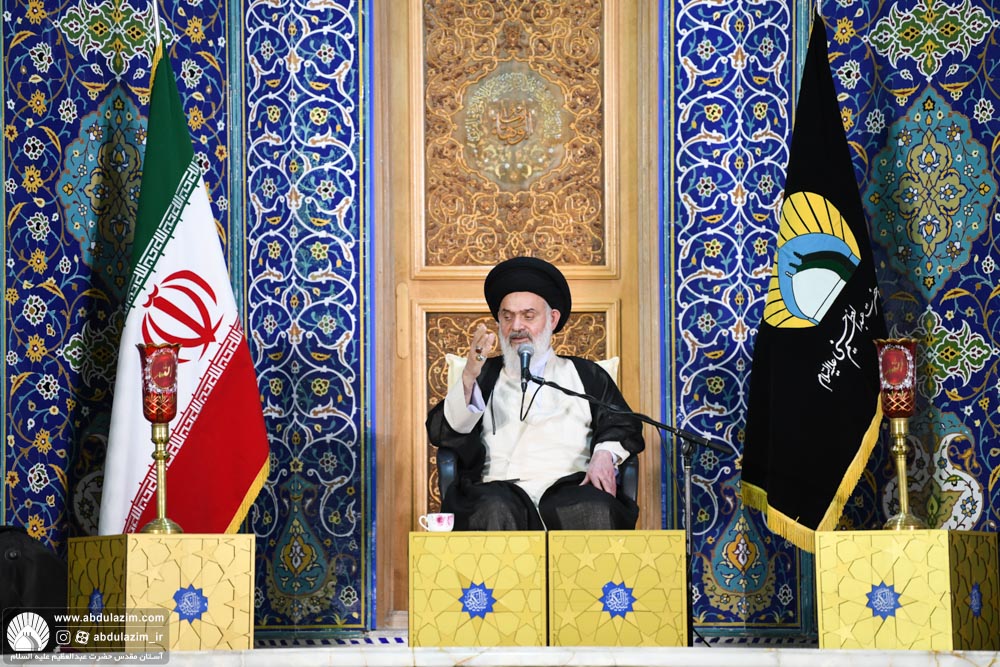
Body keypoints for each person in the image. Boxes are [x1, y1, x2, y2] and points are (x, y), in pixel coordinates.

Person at [426, 256, 644, 531]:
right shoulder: (484, 374)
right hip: (498, 490)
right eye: (507, 317)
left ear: (552, 319)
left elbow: (623, 423)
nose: (517, 327)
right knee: (492, 508)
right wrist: (469, 376)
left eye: (528, 316)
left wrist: (605, 455)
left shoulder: (584, 374)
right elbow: (446, 431)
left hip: (571, 487)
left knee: (594, 508)